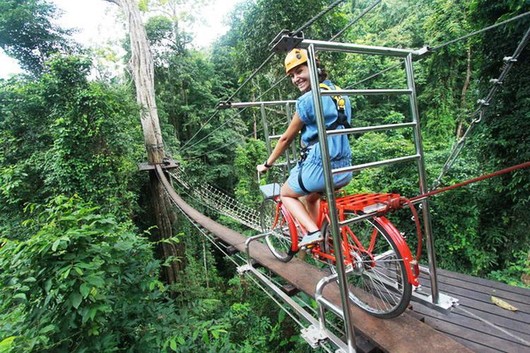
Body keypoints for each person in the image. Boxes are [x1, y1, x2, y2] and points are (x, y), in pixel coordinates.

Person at [257, 48, 353, 248]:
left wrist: (267, 164)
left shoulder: (308, 100)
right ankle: (322, 235)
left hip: (320, 165)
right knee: (311, 198)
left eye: (299, 71)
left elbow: (285, 139)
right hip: (344, 166)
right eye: (292, 76)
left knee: (286, 193)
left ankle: (313, 232)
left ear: (315, 68)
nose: (295, 79)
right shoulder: (339, 93)